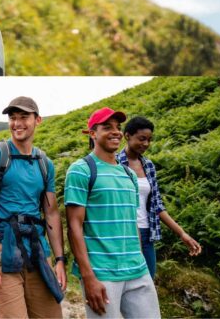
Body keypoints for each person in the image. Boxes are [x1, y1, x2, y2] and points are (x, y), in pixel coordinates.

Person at [0, 97, 65, 318]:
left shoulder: (44, 163)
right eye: (12, 118)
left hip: (37, 250)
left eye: (24, 117)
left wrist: (59, 260)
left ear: (37, 120)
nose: (17, 123)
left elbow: (51, 213)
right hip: (3, 249)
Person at [65, 108, 160, 318]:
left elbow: (131, 222)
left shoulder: (129, 174)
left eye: (118, 127)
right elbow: (74, 226)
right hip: (102, 272)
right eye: (107, 127)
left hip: (137, 269)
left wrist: (141, 260)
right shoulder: (81, 170)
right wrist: (88, 276)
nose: (115, 132)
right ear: (92, 133)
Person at [117, 115, 202, 280]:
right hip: (124, 235)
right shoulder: (115, 164)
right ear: (127, 136)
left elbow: (157, 206)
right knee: (127, 285)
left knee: (147, 283)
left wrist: (182, 234)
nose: (146, 144)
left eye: (149, 140)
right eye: (142, 139)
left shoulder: (148, 166)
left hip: (147, 234)